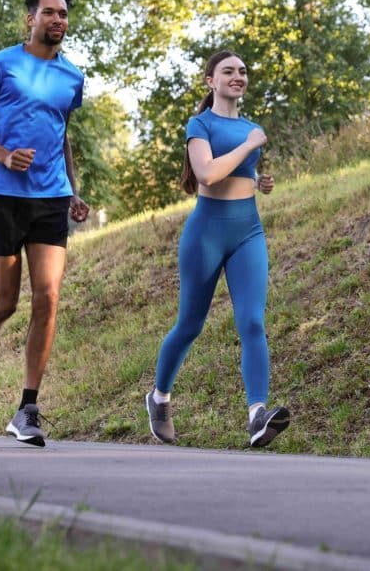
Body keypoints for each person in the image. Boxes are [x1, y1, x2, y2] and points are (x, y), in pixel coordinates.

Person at [0, 0, 89, 447]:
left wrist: (73, 190)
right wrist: (5, 155)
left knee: (48, 297)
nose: (57, 20)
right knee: (5, 302)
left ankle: (27, 408)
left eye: (63, 14)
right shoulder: (0, 64)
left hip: (50, 197)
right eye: (49, 13)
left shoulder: (72, 77)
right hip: (3, 194)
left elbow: (61, 132)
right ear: (31, 19)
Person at [145, 50, 289, 448]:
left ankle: (257, 414)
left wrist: (258, 180)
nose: (237, 76)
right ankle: (159, 397)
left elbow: (240, 170)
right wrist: (248, 147)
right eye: (228, 71)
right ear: (211, 81)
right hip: (206, 233)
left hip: (248, 232)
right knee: (190, 324)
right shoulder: (200, 124)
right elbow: (207, 173)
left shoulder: (251, 127)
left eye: (242, 71)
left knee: (252, 322)